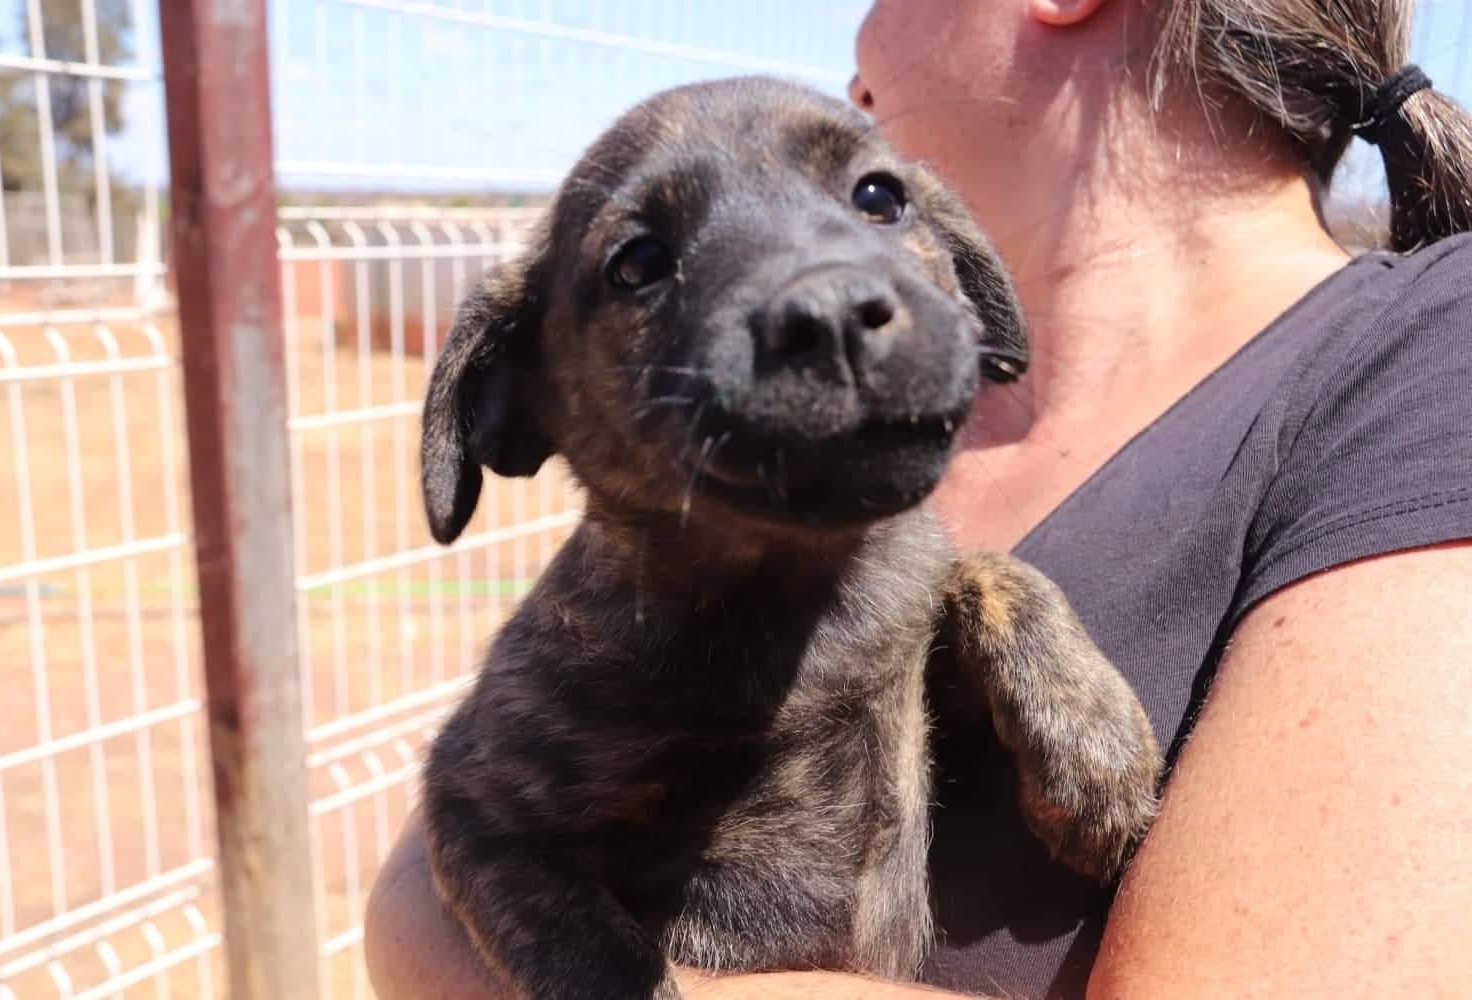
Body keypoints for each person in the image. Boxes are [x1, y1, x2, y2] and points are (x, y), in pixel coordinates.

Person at [364, 0, 1472, 995]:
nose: (828, 303)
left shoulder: (1420, 360)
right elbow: (472, 828)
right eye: (641, 266)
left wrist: (1003, 607)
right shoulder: (697, 570)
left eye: (875, 198)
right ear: (519, 395)